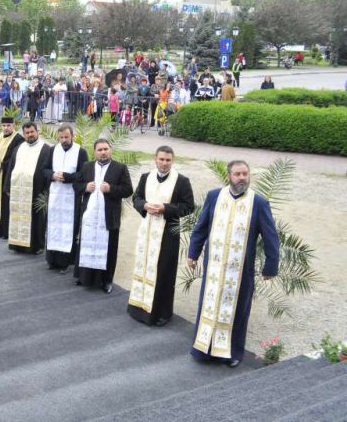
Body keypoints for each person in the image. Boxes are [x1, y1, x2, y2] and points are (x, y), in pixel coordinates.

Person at [188, 160, 280, 368]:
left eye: (245, 174)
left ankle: (232, 353)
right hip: (214, 268)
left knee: (238, 311)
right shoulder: (214, 196)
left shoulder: (258, 202)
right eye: (237, 174)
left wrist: (270, 266)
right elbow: (201, 227)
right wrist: (193, 252)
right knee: (208, 306)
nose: (242, 178)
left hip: (240, 271)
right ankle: (203, 349)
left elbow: (271, 236)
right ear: (229, 176)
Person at [127, 146, 195, 326]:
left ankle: (162, 313)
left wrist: (166, 208)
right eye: (161, 159)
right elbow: (136, 198)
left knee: (164, 271)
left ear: (173, 161)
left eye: (168, 160)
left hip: (168, 233)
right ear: (155, 159)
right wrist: (144, 206)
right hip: (147, 231)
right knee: (143, 266)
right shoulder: (145, 177)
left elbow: (188, 206)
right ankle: (139, 306)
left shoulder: (181, 181)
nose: (164, 163)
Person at [74, 138, 133, 293]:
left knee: (109, 249)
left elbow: (128, 190)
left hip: (108, 217)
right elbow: (76, 185)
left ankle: (106, 281)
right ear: (94, 152)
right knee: (86, 245)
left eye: (106, 149)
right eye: (99, 150)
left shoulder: (120, 168)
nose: (103, 152)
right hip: (89, 215)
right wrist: (85, 187)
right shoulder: (87, 166)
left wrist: (111, 189)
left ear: (110, 149)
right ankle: (83, 277)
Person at [44, 124, 88, 272]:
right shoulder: (52, 150)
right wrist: (52, 175)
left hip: (71, 196)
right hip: (55, 195)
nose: (64, 140)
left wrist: (68, 177)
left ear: (72, 136)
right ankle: (52, 260)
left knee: (68, 228)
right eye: (61, 137)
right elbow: (44, 169)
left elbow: (84, 174)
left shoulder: (80, 152)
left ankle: (64, 263)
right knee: (54, 226)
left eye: (66, 137)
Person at [4, 122, 51, 254]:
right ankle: (17, 244)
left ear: (37, 132)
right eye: (27, 133)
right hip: (18, 190)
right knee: (17, 217)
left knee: (37, 220)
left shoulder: (46, 149)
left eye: (32, 132)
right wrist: (7, 186)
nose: (30, 135)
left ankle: (37, 246)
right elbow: (11, 167)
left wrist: (47, 192)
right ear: (24, 134)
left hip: (37, 190)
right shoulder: (19, 148)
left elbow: (48, 171)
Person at [0, 117, 24, 239]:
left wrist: (2, 165)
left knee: (5, 204)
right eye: (4, 125)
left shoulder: (18, 139)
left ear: (13, 125)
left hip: (7, 176)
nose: (6, 128)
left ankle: (4, 230)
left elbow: (16, 159)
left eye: (8, 125)